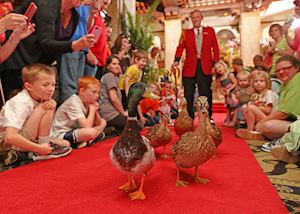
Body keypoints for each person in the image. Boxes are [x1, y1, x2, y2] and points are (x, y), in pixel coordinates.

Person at [2, 0, 96, 99]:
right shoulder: (47, 4)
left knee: (47, 104)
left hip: (41, 67)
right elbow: (45, 42)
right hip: (18, 62)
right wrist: (75, 45)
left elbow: (56, 46)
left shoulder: (75, 16)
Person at [0, 64, 71, 168]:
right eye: (45, 85)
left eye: (53, 84)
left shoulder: (40, 97)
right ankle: (31, 152)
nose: (51, 89)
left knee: (66, 144)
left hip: (23, 138)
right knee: (45, 107)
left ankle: (25, 154)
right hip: (6, 144)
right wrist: (38, 148)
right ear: (28, 86)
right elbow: (10, 136)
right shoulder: (21, 102)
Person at [238, 56, 300, 152]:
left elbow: (284, 112)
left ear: (296, 68)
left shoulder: (297, 81)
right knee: (262, 121)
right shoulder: (287, 83)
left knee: (267, 126)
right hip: (292, 121)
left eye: (285, 68)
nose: (281, 72)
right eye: (278, 70)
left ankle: (282, 141)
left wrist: (261, 123)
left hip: (296, 122)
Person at [172, 9, 220, 121]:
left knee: (205, 93)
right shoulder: (186, 33)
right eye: (193, 17)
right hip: (189, 67)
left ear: (201, 18)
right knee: (188, 94)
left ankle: (207, 117)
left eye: (197, 17)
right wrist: (176, 60)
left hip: (205, 67)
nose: (195, 19)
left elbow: (216, 48)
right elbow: (180, 47)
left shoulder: (210, 31)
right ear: (191, 20)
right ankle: (189, 118)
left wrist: (215, 64)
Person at [51, 76, 106, 149]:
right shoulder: (73, 102)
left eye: (98, 92)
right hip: (61, 133)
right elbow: (86, 127)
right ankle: (87, 140)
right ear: (82, 91)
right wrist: (92, 110)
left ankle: (86, 141)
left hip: (77, 130)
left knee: (103, 122)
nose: (97, 95)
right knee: (90, 132)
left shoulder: (88, 101)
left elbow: (98, 123)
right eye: (94, 92)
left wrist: (95, 110)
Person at [236, 71, 278, 139]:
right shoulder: (255, 95)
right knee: (244, 107)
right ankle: (251, 129)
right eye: (256, 81)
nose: (258, 83)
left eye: (261, 81)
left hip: (270, 119)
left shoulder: (269, 93)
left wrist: (254, 107)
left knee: (251, 107)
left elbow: (268, 110)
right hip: (261, 118)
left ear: (267, 82)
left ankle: (250, 130)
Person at [99, 55, 127, 135]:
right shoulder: (109, 76)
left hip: (113, 113)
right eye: (114, 64)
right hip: (109, 114)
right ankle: (110, 132)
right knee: (136, 125)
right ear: (108, 66)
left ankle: (114, 131)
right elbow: (113, 98)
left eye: (118, 64)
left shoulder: (115, 78)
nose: (117, 66)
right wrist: (123, 113)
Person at [85, 0, 111, 80]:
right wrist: (87, 52)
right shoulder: (90, 12)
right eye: (104, 3)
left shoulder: (99, 15)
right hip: (92, 60)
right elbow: (85, 33)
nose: (105, 7)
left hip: (99, 61)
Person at [214, 60, 237, 125]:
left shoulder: (230, 75)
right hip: (226, 95)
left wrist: (229, 89)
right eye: (216, 69)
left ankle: (234, 121)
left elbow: (235, 83)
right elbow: (219, 87)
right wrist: (222, 92)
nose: (219, 69)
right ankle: (228, 120)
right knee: (228, 108)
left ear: (224, 66)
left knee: (234, 107)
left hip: (232, 93)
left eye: (220, 67)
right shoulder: (219, 78)